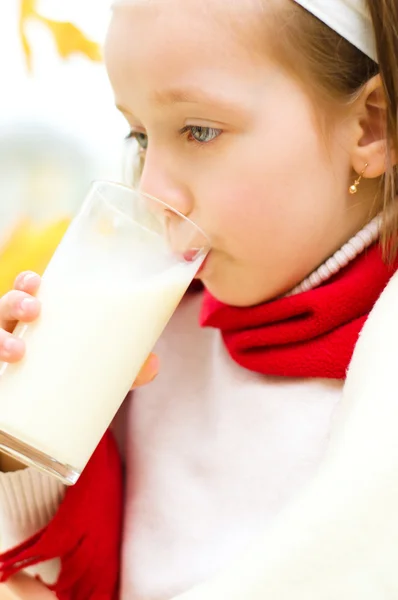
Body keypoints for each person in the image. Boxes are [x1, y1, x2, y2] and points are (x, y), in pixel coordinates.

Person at [0, 0, 397, 598]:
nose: (152, 187)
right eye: (139, 135)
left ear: (371, 126)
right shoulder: (157, 345)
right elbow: (56, 579)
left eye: (200, 130)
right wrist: (22, 441)